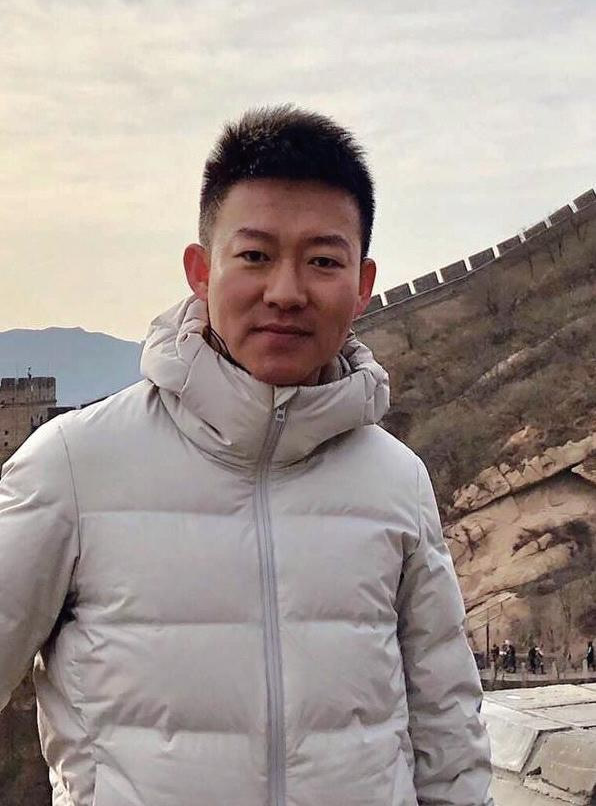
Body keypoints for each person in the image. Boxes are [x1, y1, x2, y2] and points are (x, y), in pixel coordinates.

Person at [0, 106, 493, 806]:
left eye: (323, 261)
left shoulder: (396, 481)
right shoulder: (74, 467)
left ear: (362, 286)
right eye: (256, 256)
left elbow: (447, 732)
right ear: (201, 271)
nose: (285, 293)